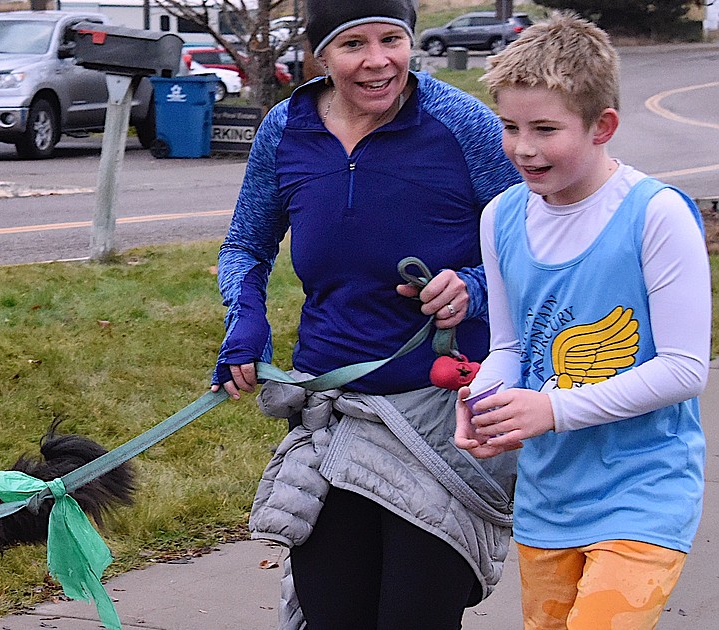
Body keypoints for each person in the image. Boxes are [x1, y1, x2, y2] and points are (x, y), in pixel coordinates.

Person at [212, 0, 522, 627]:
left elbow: (529, 240)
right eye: (354, 44)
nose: (379, 61)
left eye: (393, 40)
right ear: (319, 55)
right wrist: (245, 318)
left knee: (413, 617)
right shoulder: (285, 127)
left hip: (442, 418)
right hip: (333, 415)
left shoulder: (461, 123)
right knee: (333, 616)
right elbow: (246, 242)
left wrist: (473, 287)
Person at [458, 13, 709, 629]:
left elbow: (684, 369)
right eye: (509, 126)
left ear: (604, 127)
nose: (523, 147)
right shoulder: (500, 217)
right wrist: (487, 400)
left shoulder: (656, 215)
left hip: (643, 493)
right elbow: (512, 347)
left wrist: (553, 410)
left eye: (546, 129)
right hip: (548, 496)